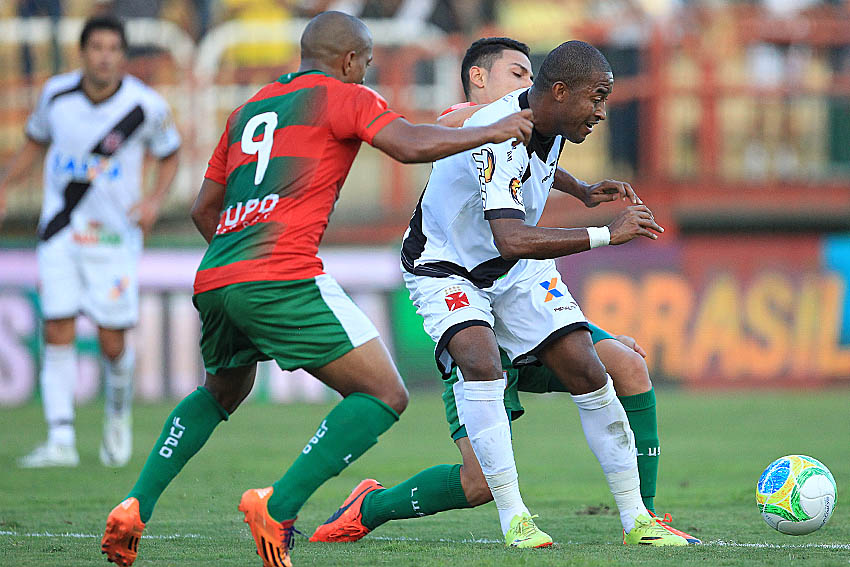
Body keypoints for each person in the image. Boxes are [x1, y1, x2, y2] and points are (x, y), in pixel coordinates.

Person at [99, 11, 533, 567]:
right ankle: (277, 505)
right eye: (366, 64)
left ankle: (136, 503)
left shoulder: (247, 110)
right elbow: (406, 145)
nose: (366, 74)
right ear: (350, 60)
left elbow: (204, 208)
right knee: (384, 394)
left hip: (218, 274)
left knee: (221, 391)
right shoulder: (344, 96)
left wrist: (240, 264)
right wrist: (492, 129)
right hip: (281, 270)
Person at [310, 37, 699, 545]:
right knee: (480, 360)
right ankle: (515, 519)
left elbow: (537, 166)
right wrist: (607, 233)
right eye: (597, 98)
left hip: (513, 272)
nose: (603, 112)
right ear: (559, 92)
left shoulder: (551, 120)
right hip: (447, 267)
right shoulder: (497, 133)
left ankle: (638, 520)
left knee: (588, 366)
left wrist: (581, 191)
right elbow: (511, 236)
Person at [0, 16, 181, 469]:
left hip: (114, 237)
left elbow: (170, 153)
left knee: (111, 340)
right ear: (83, 53)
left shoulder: (145, 106)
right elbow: (34, 143)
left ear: (123, 56)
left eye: (113, 49)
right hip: (61, 230)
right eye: (96, 47)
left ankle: (117, 414)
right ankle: (60, 438)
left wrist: (154, 200)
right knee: (56, 327)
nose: (104, 56)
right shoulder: (56, 96)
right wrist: (5, 185)